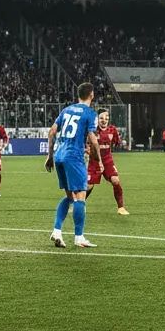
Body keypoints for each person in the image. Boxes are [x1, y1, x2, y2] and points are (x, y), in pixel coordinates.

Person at [45, 82, 102, 248]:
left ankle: (56, 231)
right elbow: (93, 139)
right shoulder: (90, 113)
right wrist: (99, 159)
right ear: (91, 95)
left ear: (78, 95)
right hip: (74, 157)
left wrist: (50, 156)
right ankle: (79, 237)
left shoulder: (66, 110)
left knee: (70, 197)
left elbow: (51, 132)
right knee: (80, 196)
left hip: (59, 156)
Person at [86, 110, 129, 215]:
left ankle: (121, 208)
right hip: (94, 161)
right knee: (89, 186)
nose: (104, 120)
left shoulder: (112, 130)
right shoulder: (92, 130)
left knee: (115, 180)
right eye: (101, 118)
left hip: (107, 161)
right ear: (97, 119)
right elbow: (86, 144)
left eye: (106, 118)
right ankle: (78, 204)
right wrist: (87, 151)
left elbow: (117, 142)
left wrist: (121, 144)